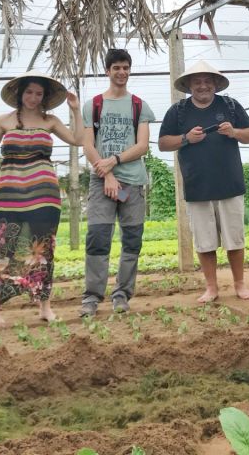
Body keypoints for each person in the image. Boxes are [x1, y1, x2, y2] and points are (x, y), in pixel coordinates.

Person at [0, 70, 82, 327]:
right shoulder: (4, 121)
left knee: (42, 252)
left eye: (39, 93)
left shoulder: (50, 121)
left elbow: (77, 140)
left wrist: (75, 110)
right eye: (29, 92)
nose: (33, 97)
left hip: (44, 196)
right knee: (1, 251)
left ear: (44, 97)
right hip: (8, 197)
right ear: (20, 94)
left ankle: (44, 306)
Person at [158, 60, 249, 303]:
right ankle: (211, 287)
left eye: (207, 81)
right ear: (190, 86)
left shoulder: (231, 106)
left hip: (230, 185)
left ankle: (239, 284)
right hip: (197, 186)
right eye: (197, 82)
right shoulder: (178, 111)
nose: (203, 86)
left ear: (215, 84)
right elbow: (162, 143)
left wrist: (234, 132)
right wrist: (185, 138)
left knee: (235, 238)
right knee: (205, 242)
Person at [80, 49, 155, 317]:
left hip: (133, 183)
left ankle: (122, 294)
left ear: (129, 70)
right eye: (116, 68)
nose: (121, 72)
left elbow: (143, 146)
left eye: (125, 67)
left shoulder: (139, 106)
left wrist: (114, 160)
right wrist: (108, 173)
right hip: (102, 183)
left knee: (132, 240)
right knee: (98, 238)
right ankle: (91, 297)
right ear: (107, 71)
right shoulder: (93, 105)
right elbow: (88, 145)